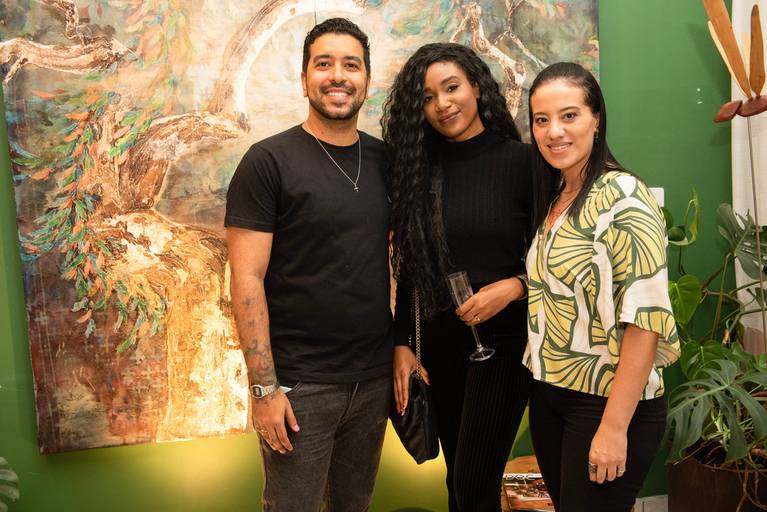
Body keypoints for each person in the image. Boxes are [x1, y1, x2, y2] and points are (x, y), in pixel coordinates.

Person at [225, 18, 392, 512]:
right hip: (299, 387)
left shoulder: (386, 161)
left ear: (366, 81)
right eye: (324, 64)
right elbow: (246, 278)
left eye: (351, 65)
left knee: (353, 505)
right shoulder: (267, 162)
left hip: (373, 380)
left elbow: (399, 261)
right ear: (304, 79)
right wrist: (263, 389)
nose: (338, 76)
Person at [382, 42, 535, 512]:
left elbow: (555, 260)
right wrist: (403, 342)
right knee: (460, 485)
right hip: (440, 347)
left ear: (477, 88)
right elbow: (412, 268)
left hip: (503, 345)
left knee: (472, 486)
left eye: (452, 88)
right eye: (428, 97)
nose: (443, 104)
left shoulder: (524, 163)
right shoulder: (420, 172)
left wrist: (515, 287)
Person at [524, 61, 681, 512]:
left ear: (596, 119)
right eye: (541, 119)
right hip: (552, 395)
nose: (554, 131)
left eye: (569, 115)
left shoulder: (625, 196)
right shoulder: (560, 196)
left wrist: (613, 427)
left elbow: (645, 321)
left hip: (606, 404)